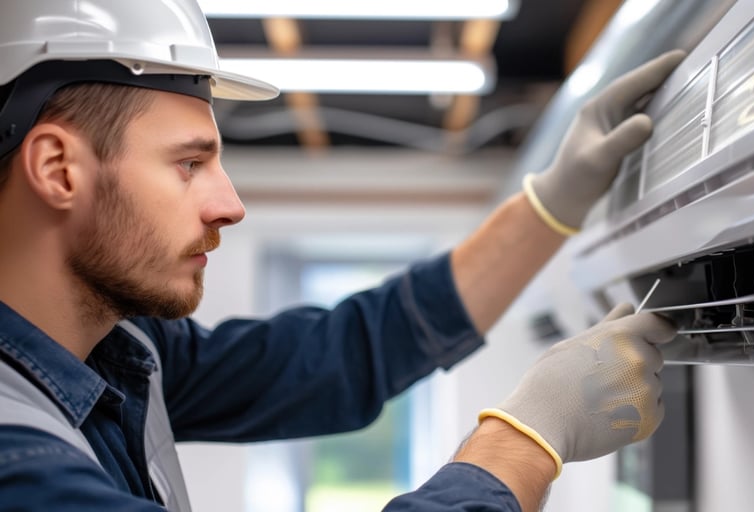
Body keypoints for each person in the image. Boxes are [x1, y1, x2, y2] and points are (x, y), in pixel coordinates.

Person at [0, 1, 683, 511]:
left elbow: (338, 355)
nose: (231, 205)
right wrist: (531, 434)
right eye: (188, 164)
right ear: (59, 169)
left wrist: (551, 205)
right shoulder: (18, 466)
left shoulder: (121, 349)